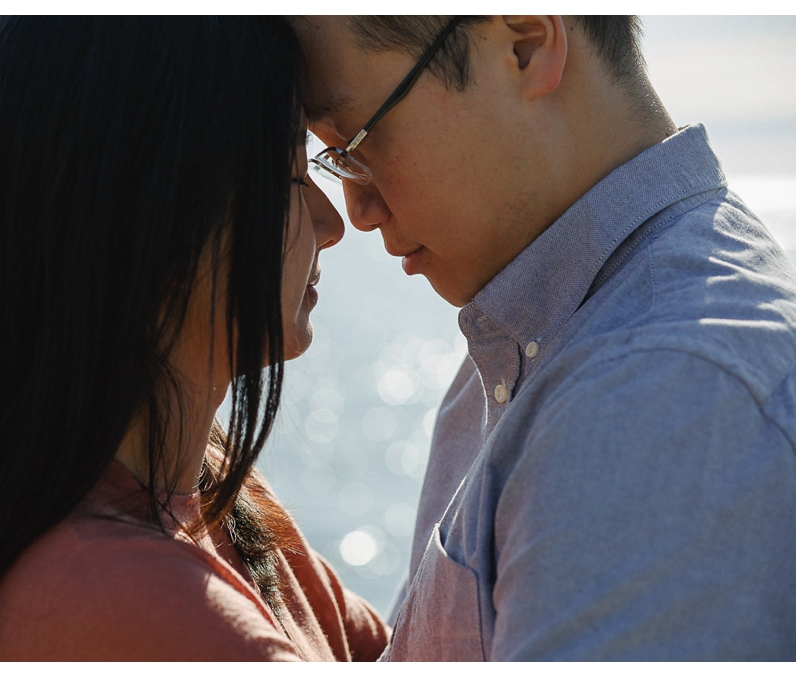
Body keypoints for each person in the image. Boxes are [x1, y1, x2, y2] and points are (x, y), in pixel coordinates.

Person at [0, 16, 390, 661]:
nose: (330, 221)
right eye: (287, 175)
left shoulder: (211, 486)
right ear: (152, 216)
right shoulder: (151, 611)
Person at [293, 15, 795, 660]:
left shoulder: (657, 396)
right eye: (332, 160)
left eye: (357, 143)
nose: (356, 212)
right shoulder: (535, 342)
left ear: (526, 45)